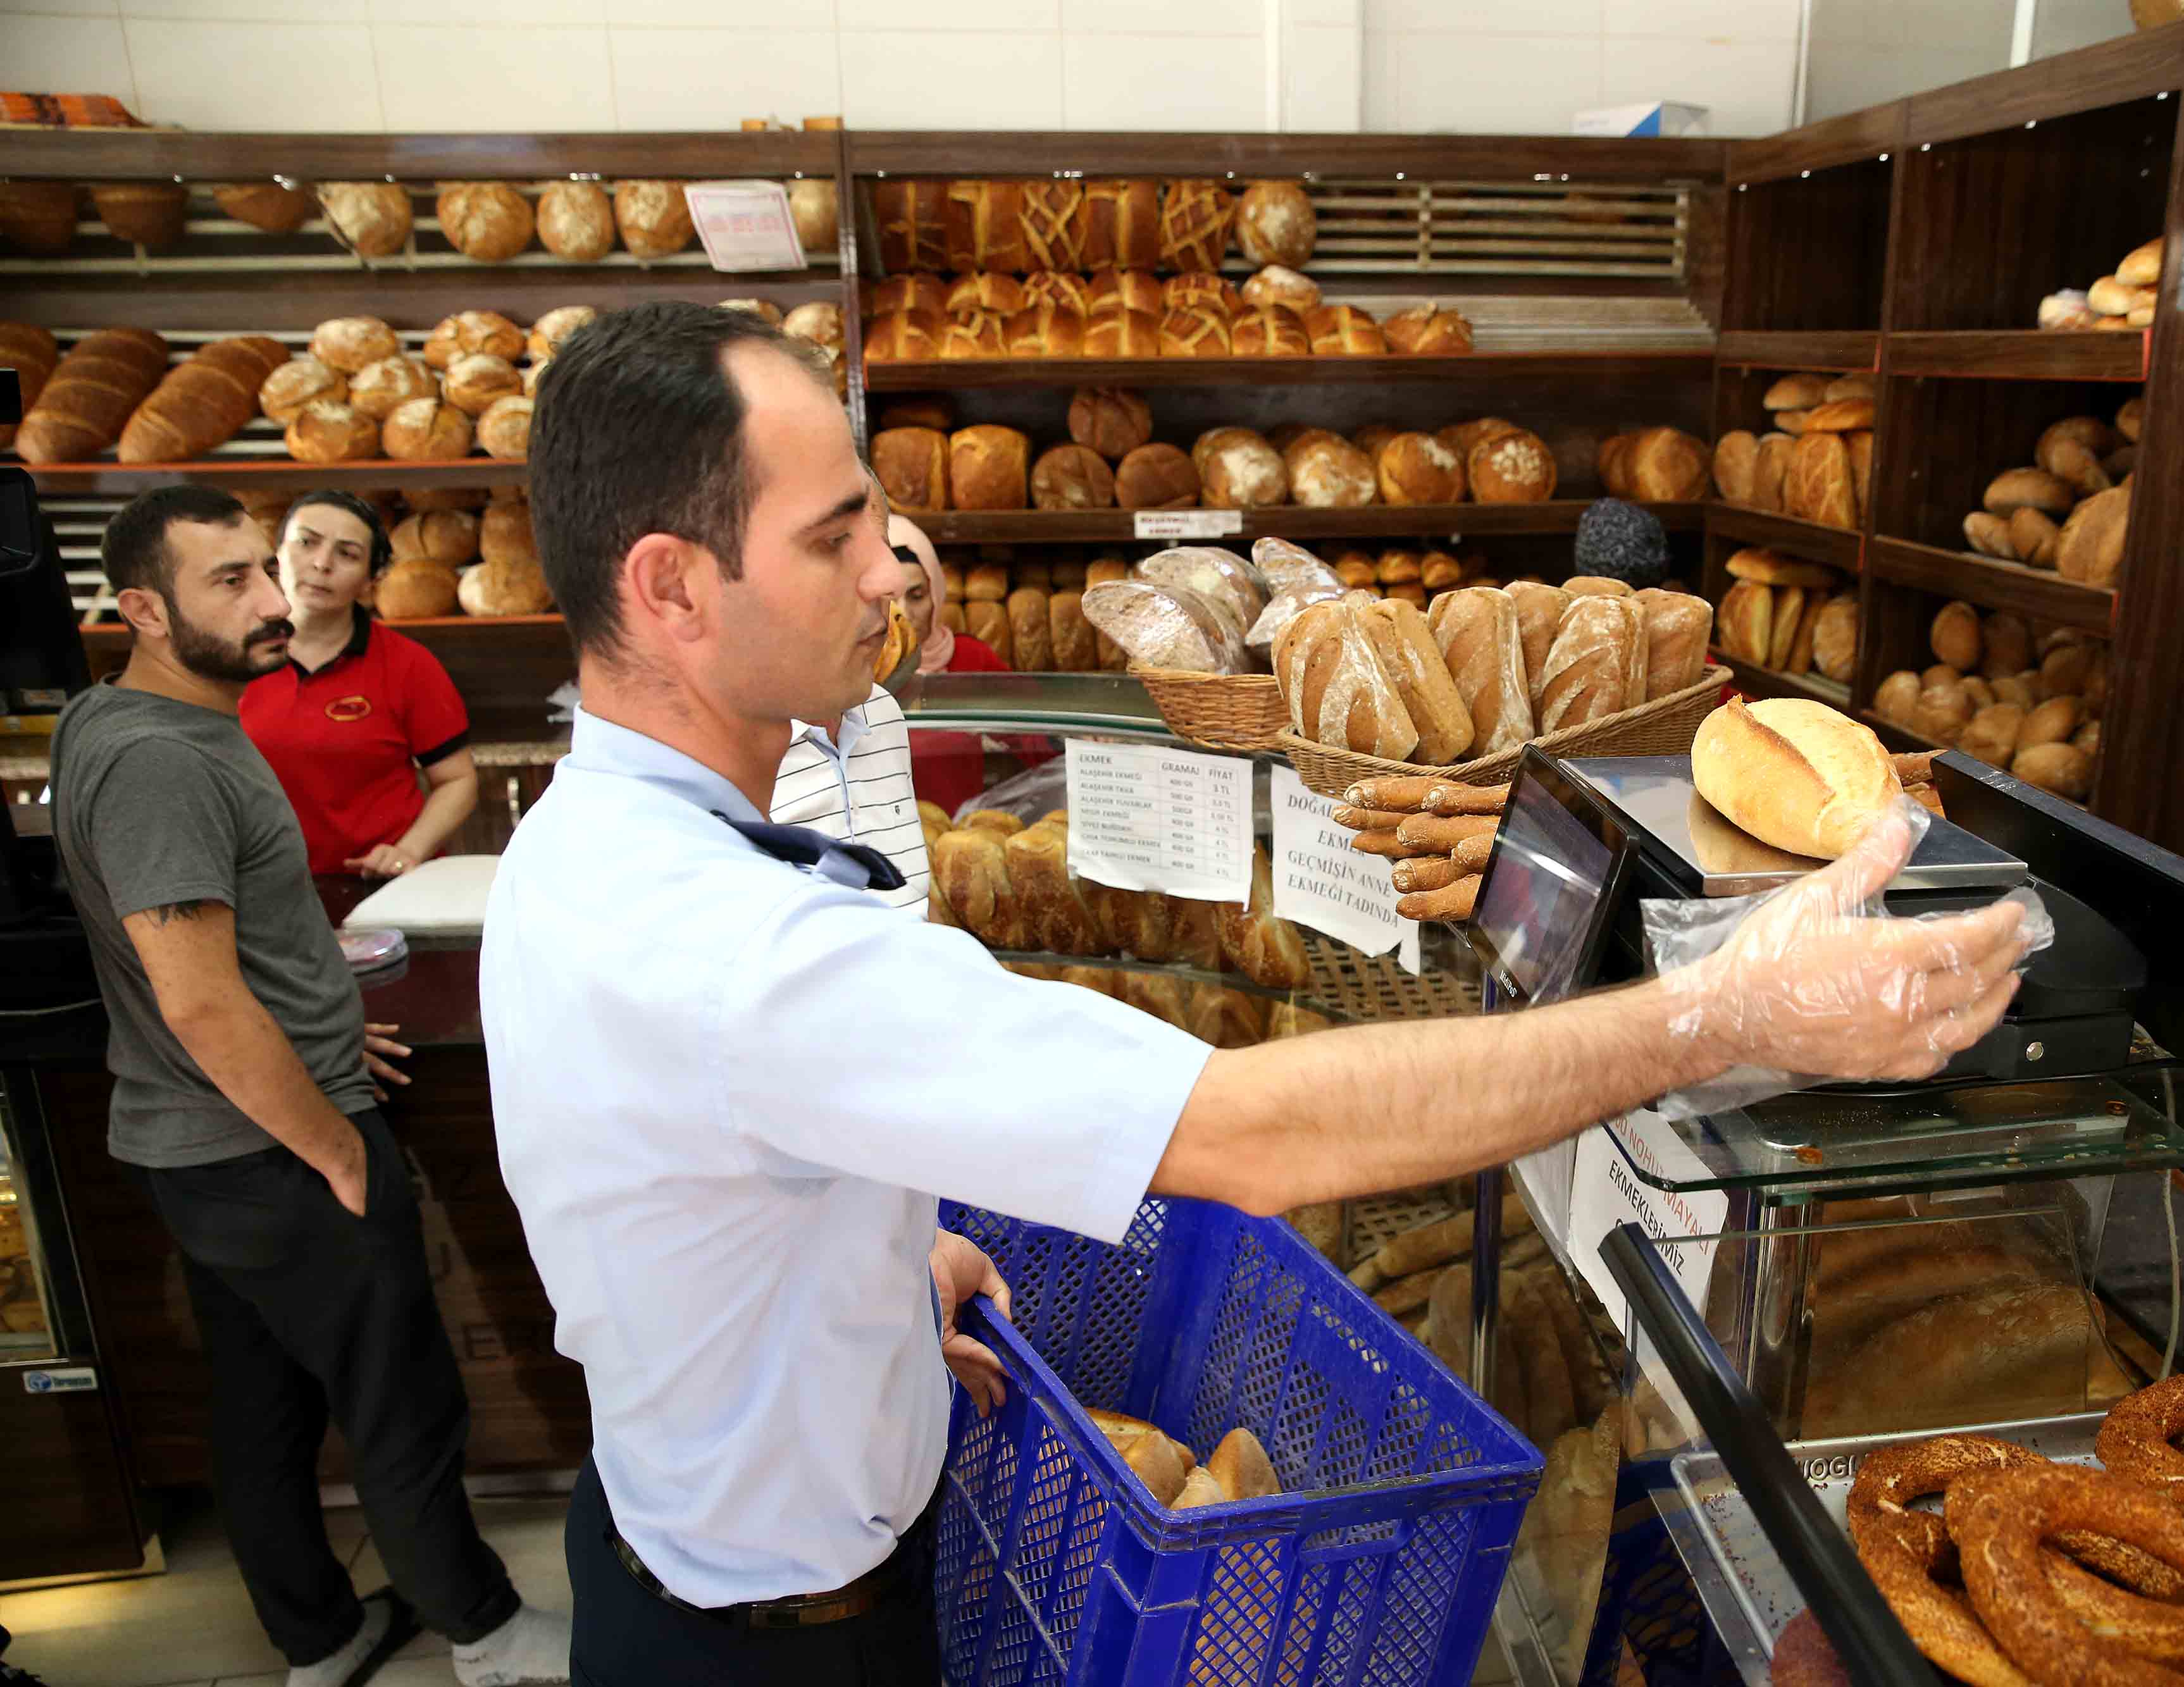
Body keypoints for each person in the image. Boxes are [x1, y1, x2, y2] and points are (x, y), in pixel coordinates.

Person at [482, 302, 2026, 1682]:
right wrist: (1726, 1013)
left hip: (667, 1546)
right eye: (833, 535)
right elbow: (1250, 1137)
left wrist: (873, 1279)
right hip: (776, 1652)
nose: (889, 567)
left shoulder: (586, 841)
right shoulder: (740, 952)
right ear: (671, 590)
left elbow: (687, 1173)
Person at [48, 486, 570, 1687]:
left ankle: (320, 1641)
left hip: (213, 1146)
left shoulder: (124, 718)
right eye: (230, 582)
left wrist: (321, 1013)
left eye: (263, 568)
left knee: (265, 1409)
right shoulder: (156, 763)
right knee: (402, 1401)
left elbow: (220, 956)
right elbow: (197, 997)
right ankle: (485, 1634)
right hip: (269, 1154)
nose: (277, 601)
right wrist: (334, 1142)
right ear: (144, 609)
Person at [240, 491, 478, 881]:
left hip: (381, 890)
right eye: (306, 542)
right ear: (276, 556)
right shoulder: (230, 660)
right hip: (263, 889)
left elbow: (457, 779)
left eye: (347, 554)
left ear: (370, 582)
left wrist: (407, 852)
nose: (322, 563)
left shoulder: (408, 665)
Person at [762, 517, 930, 912]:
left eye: (883, 546)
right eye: (838, 545)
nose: (891, 582)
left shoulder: (881, 711)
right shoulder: (736, 736)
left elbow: (914, 898)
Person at [891, 517, 1010, 814]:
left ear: (936, 594)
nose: (904, 613)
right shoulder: (853, 669)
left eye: (917, 596)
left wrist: (1087, 738)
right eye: (889, 598)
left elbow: (1038, 733)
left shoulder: (971, 658)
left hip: (956, 842)